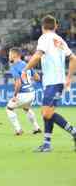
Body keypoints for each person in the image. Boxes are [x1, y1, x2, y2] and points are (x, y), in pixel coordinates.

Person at [22, 15, 76, 152]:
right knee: (47, 112)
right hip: (55, 81)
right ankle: (47, 144)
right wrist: (69, 77)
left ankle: (73, 132)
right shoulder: (59, 39)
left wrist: (25, 69)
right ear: (55, 26)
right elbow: (73, 58)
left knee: (46, 113)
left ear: (42, 27)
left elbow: (37, 56)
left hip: (53, 82)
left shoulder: (44, 38)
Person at [6, 48, 41, 136]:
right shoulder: (27, 64)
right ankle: (36, 128)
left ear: (15, 55)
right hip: (32, 93)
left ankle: (18, 130)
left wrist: (15, 95)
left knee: (9, 109)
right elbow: (37, 78)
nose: (9, 56)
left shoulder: (14, 66)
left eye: (10, 55)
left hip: (23, 94)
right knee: (26, 108)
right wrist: (28, 78)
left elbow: (18, 83)